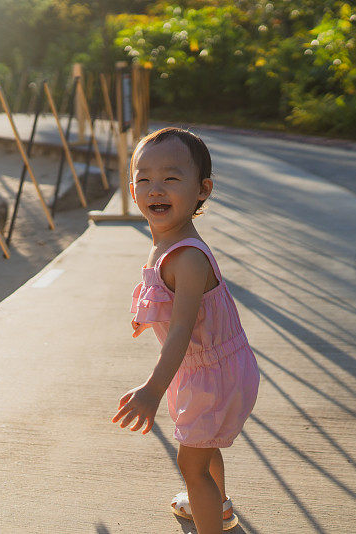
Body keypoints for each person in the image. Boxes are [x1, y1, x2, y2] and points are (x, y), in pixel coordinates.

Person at [111, 127, 260, 533]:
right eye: (144, 179)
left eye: (171, 179)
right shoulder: (165, 237)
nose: (155, 189)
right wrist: (146, 312)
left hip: (211, 373)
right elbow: (160, 289)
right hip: (203, 369)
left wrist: (152, 390)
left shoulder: (189, 257)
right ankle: (217, 507)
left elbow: (181, 331)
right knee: (202, 446)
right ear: (132, 187)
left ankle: (211, 517)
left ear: (203, 189)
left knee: (191, 464)